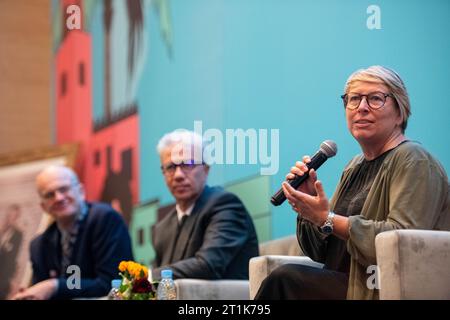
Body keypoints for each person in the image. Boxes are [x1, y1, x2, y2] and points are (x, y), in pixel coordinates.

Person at [255, 65, 450, 300]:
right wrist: (310, 212)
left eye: (376, 99)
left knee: (284, 280)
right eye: (354, 99)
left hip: (377, 288)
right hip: (346, 283)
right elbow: (321, 253)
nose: (362, 108)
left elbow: (403, 241)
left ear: (400, 113)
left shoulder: (414, 159)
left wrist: (326, 218)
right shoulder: (354, 167)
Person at [12, 165, 133, 300]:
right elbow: (42, 292)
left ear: (81, 191)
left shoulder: (105, 219)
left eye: (64, 189)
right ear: (43, 206)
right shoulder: (39, 246)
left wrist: (54, 286)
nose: (58, 198)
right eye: (49, 194)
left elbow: (113, 284)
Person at [151, 130, 259, 280]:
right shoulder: (162, 228)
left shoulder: (225, 205)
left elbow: (208, 266)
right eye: (170, 167)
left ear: (206, 169)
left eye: (187, 164)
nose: (178, 175)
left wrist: (148, 277)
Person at [0, 204, 24, 299]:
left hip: (5, 272)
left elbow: (14, 254)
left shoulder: (18, 234)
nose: (12, 218)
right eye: (10, 215)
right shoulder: (2, 230)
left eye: (15, 216)